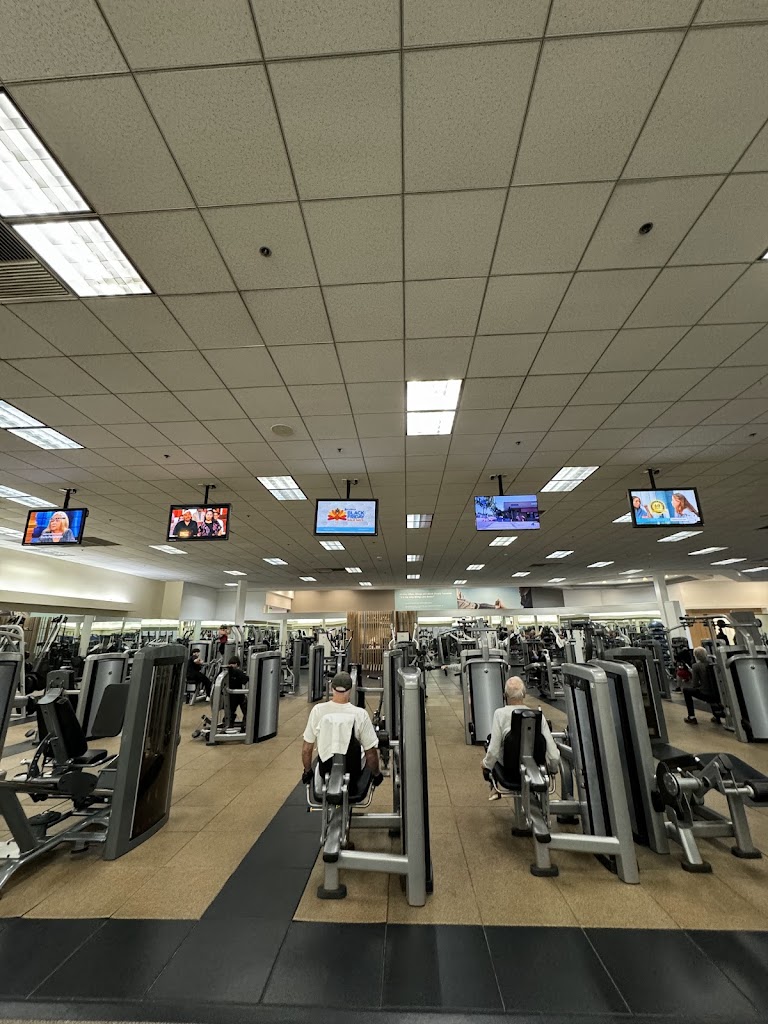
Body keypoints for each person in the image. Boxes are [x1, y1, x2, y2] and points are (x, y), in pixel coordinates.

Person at [482, 676, 560, 800]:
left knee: (491, 740)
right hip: (535, 769)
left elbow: (493, 751)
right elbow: (554, 756)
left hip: (510, 772)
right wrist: (552, 769)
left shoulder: (499, 714)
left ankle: (494, 785)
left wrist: (486, 766)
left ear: (505, 695)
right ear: (524, 694)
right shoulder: (538, 717)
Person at [301, 672, 383, 787]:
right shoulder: (360, 714)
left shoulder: (317, 710)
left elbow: (307, 749)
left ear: (331, 688)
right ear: (350, 690)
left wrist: (307, 771)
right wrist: (377, 774)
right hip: (354, 770)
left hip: (325, 768)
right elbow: (370, 753)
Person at [683, 647, 723, 725]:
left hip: (705, 693)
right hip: (717, 693)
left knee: (686, 691)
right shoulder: (713, 664)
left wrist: (692, 673)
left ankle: (691, 717)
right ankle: (716, 717)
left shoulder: (696, 666)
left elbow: (695, 684)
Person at [227, 655, 248, 728]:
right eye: (231, 664)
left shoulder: (226, 672)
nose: (232, 665)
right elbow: (245, 680)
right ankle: (244, 725)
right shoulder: (238, 672)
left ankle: (230, 723)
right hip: (237, 695)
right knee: (246, 711)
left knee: (231, 711)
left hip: (232, 695)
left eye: (233, 663)